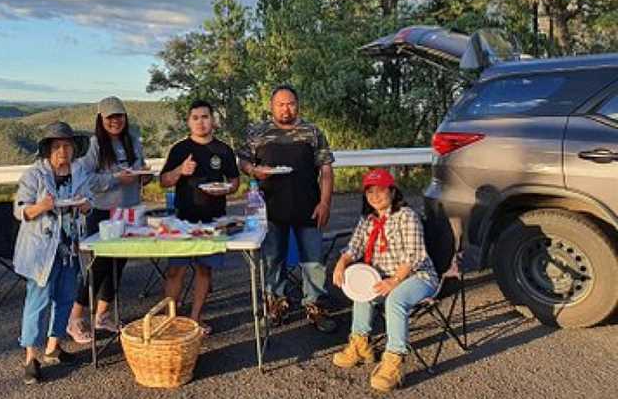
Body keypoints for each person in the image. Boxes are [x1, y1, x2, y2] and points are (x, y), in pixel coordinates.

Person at [13, 121, 122, 385]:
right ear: (48, 150)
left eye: (68, 146)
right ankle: (30, 357)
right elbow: (20, 211)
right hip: (41, 250)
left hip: (70, 248)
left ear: (74, 149)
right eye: (57, 146)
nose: (63, 151)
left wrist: (85, 206)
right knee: (37, 303)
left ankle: (53, 347)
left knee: (64, 299)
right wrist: (42, 206)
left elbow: (88, 202)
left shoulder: (78, 173)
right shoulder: (34, 175)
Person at [238, 84, 336, 332]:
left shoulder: (312, 131)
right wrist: (253, 171)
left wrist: (325, 203)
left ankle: (316, 307)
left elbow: (326, 169)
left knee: (313, 261)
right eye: (280, 104)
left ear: (297, 105)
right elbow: (243, 161)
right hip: (270, 207)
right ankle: (276, 304)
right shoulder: (258, 132)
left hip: (308, 206)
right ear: (271, 106)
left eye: (290, 103)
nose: (286, 108)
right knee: (273, 259)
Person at [331, 168, 439, 393]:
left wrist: (394, 281)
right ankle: (361, 344)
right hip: (384, 278)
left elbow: (414, 255)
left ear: (392, 191)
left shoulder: (406, 216)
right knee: (362, 290)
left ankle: (394, 360)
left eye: (380, 190)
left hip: (417, 276)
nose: (375, 196)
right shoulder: (367, 220)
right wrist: (342, 263)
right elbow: (355, 247)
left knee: (395, 299)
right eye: (369, 192)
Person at [67, 96, 146, 343]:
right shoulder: (95, 145)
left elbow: (140, 168)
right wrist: (114, 179)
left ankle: (103, 315)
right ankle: (75, 317)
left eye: (119, 116)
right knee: (99, 265)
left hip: (129, 210)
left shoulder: (132, 141)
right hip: (103, 212)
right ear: (101, 119)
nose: (115, 121)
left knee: (117, 265)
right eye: (110, 117)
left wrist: (143, 176)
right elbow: (84, 179)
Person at [159, 100, 240, 335]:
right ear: (189, 122)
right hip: (183, 220)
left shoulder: (223, 150)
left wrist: (226, 189)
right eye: (195, 118)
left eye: (205, 117)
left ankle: (196, 319)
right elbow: (163, 181)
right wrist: (180, 171)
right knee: (176, 271)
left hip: (214, 221)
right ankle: (169, 320)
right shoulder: (180, 149)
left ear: (212, 120)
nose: (200, 122)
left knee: (205, 270)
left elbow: (234, 182)